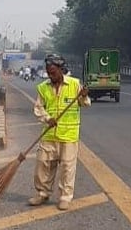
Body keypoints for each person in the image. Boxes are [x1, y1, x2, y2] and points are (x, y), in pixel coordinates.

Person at [28, 54, 90, 210]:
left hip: (68, 135)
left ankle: (65, 197)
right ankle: (43, 193)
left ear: (61, 70)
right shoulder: (43, 87)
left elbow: (85, 104)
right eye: (49, 72)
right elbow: (38, 108)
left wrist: (84, 96)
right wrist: (47, 118)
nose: (51, 75)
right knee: (43, 164)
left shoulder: (75, 84)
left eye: (53, 72)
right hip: (49, 134)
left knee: (67, 168)